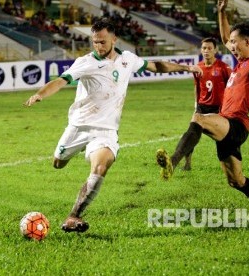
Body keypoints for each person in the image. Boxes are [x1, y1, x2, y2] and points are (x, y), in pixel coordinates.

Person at [24, 18, 202, 233]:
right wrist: (39, 94)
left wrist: (185, 67)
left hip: (105, 131)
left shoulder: (127, 59)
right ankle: (72, 152)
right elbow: (61, 81)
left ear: (114, 39)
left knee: (101, 166)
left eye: (102, 41)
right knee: (58, 163)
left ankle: (74, 216)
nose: (98, 46)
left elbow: (156, 66)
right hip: (78, 127)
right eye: (95, 42)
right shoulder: (85, 62)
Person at [156, 0, 249, 224]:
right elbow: (226, 35)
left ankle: (173, 162)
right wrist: (222, 11)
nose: (231, 46)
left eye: (235, 43)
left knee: (199, 119)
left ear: (247, 42)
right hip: (227, 126)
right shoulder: (241, 61)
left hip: (236, 124)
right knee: (236, 181)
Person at [177, 37, 232, 172]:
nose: (206, 51)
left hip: (218, 108)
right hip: (202, 107)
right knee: (191, 135)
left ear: (215, 50)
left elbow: (231, 88)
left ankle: (230, 164)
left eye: (209, 48)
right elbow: (197, 87)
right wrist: (196, 106)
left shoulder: (223, 67)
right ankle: (187, 164)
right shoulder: (198, 67)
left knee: (223, 138)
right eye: (203, 48)